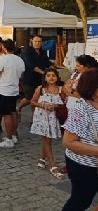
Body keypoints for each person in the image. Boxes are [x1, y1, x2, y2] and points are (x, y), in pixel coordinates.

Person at [62, 68, 98, 211]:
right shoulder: (81, 108)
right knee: (81, 200)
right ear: (93, 88)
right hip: (84, 166)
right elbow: (68, 142)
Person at [0, 39, 25, 148]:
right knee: (13, 112)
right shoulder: (19, 60)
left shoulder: (3, 59)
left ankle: (8, 139)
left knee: (6, 115)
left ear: (4, 47)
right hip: (14, 90)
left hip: (4, 91)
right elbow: (20, 74)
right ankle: (13, 136)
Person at [30, 67, 65, 178]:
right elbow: (32, 102)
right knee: (46, 139)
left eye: (53, 75)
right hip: (42, 118)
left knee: (47, 139)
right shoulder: (41, 89)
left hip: (54, 119)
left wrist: (55, 106)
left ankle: (42, 158)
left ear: (57, 77)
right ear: (45, 78)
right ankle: (52, 165)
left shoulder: (61, 90)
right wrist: (42, 104)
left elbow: (65, 103)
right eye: (48, 75)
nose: (51, 78)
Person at [19, 35, 51, 115]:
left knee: (37, 99)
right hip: (29, 79)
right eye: (35, 41)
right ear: (31, 41)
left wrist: (58, 66)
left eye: (39, 41)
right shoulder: (27, 51)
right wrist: (44, 73)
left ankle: (34, 118)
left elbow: (48, 63)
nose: (37, 43)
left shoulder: (42, 52)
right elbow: (31, 66)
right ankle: (18, 107)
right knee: (29, 98)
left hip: (40, 80)